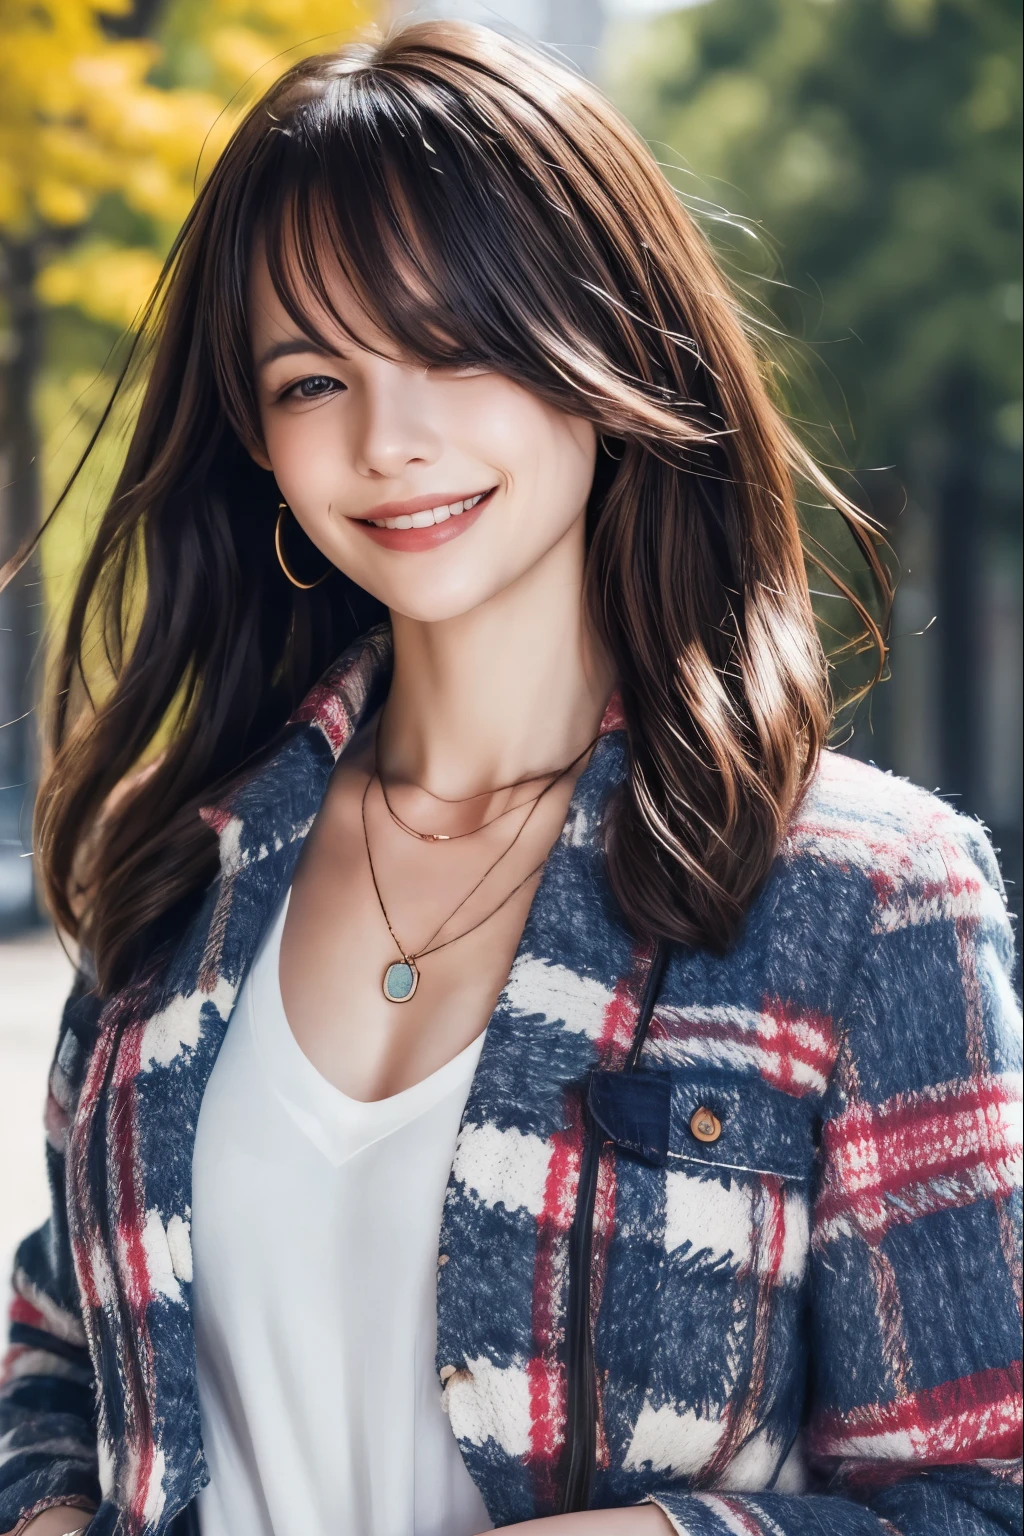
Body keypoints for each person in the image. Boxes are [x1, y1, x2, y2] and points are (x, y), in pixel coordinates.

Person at [1, 18, 1020, 1536]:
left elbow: (978, 1495)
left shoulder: (865, 898)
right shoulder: (186, 872)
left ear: (610, 356)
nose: (388, 441)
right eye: (308, 381)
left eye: (455, 346)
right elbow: (62, 1363)